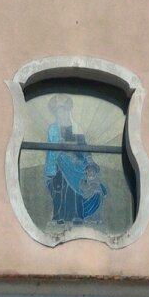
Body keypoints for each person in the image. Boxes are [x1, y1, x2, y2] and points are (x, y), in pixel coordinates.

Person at [44, 94, 107, 225]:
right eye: (58, 111)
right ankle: (59, 217)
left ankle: (76, 216)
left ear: (68, 111)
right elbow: (52, 149)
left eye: (64, 110)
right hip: (59, 164)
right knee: (61, 188)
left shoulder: (77, 127)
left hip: (77, 164)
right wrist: (57, 160)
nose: (61, 114)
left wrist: (87, 159)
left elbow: (83, 146)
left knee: (77, 189)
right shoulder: (53, 129)